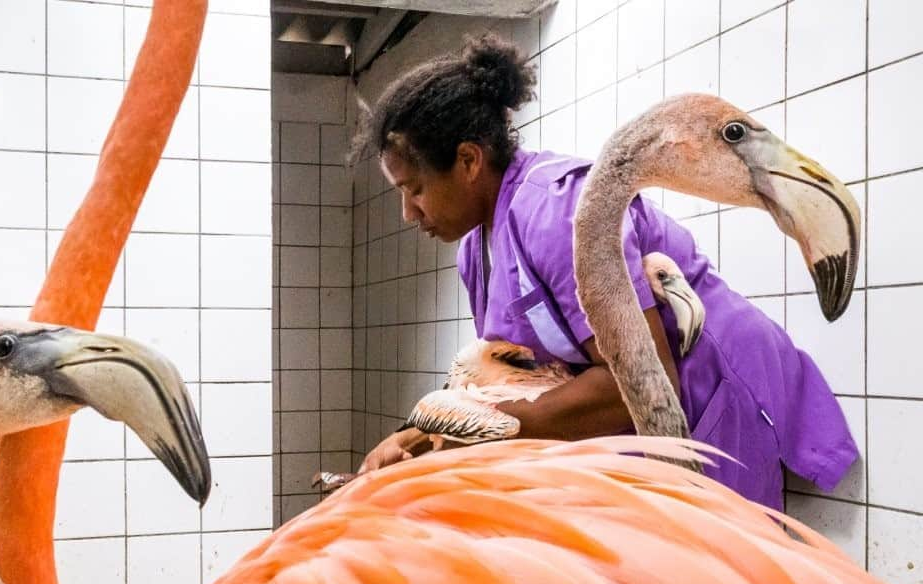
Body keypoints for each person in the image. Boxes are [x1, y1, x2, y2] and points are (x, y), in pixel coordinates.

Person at [349, 34, 858, 510]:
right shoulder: (475, 250)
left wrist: (475, 433)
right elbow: (518, 383)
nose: (408, 214)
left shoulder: (558, 210)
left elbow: (633, 385)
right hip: (636, 431)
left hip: (709, 394)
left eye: (413, 189)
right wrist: (417, 436)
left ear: (468, 160)